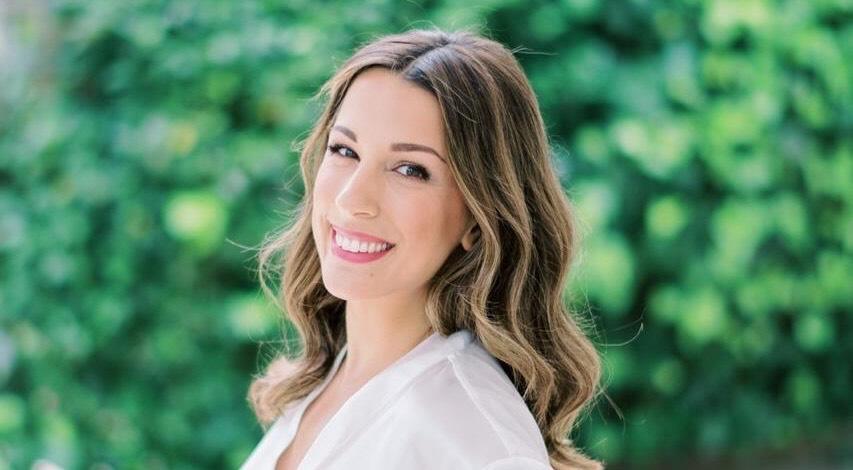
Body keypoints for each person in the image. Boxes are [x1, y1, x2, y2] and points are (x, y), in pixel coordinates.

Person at [240, 27, 603, 470]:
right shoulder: (324, 381)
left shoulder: (478, 446)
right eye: (344, 150)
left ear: (478, 218)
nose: (352, 199)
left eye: (410, 169)